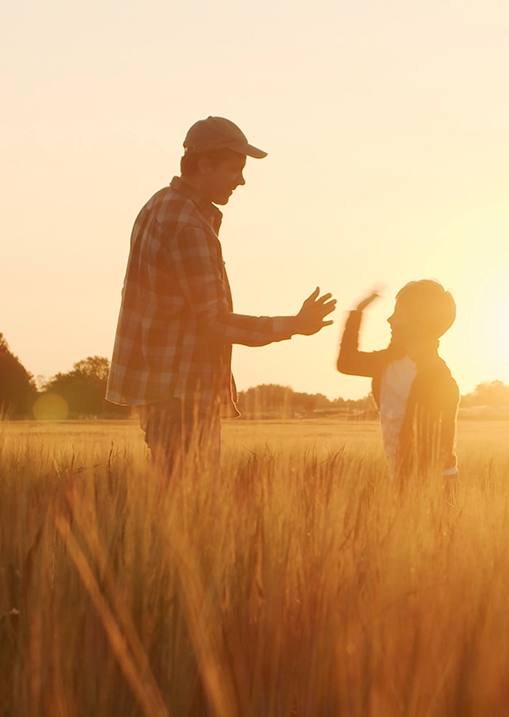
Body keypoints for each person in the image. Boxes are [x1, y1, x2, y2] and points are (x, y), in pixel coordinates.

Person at [106, 116, 338, 480]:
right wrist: (292, 326)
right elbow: (213, 321)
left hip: (162, 391)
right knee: (189, 508)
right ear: (204, 164)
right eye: (234, 169)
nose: (241, 181)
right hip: (182, 396)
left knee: (171, 505)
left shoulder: (160, 205)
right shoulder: (188, 224)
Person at [336, 280, 460, 482]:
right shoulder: (388, 362)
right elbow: (347, 363)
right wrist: (358, 312)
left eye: (399, 314)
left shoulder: (439, 380)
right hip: (402, 480)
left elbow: (439, 449)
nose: (389, 320)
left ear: (420, 325)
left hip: (435, 485)